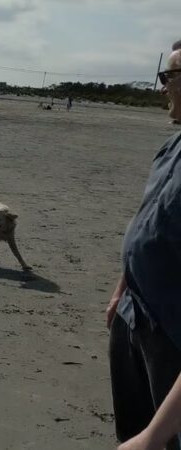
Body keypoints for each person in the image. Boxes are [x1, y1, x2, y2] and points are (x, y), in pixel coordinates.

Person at [108, 45, 181, 450]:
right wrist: (122, 289)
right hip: (134, 314)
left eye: (168, 76)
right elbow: (150, 220)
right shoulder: (172, 148)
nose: (162, 88)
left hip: (172, 330)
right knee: (130, 430)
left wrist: (154, 437)